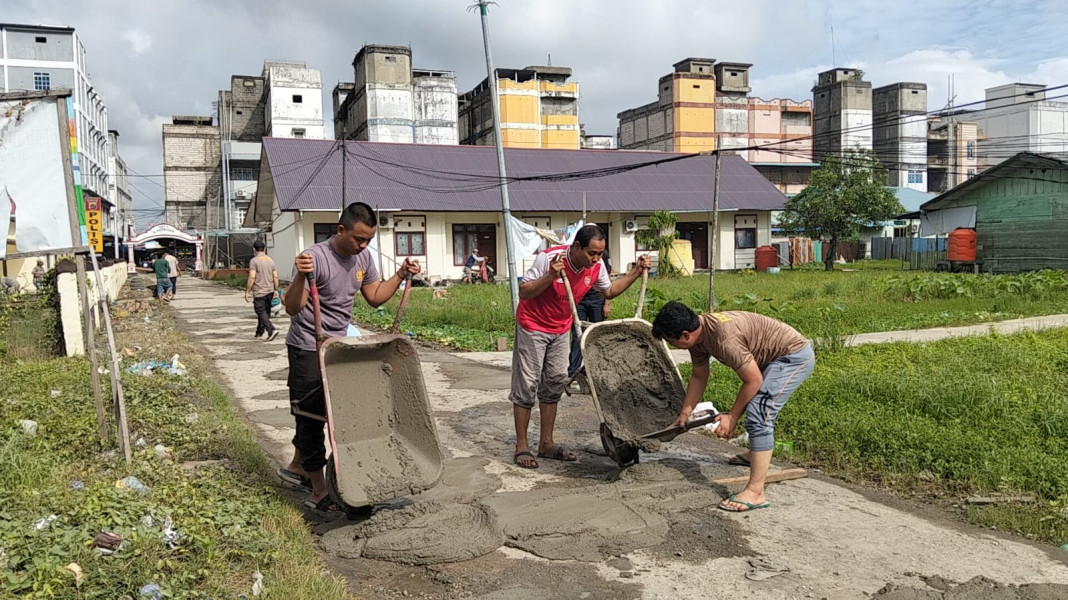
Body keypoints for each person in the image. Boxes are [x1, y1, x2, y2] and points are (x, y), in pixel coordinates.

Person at [279, 202, 420, 512]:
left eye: (368, 239)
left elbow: (375, 297)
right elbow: (292, 307)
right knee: (311, 415)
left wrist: (399, 274)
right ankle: (318, 491)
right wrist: (301, 277)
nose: (363, 245)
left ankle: (303, 466)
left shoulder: (364, 258)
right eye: (358, 239)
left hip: (339, 347)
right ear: (340, 230)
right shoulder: (314, 258)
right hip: (307, 345)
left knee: (344, 415)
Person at [651, 302, 815, 512]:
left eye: (672, 342)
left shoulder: (723, 338)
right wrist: (685, 413)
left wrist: (732, 416)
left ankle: (756, 492)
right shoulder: (698, 336)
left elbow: (753, 381)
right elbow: (699, 375)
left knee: (759, 412)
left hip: (791, 357)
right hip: (768, 359)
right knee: (757, 408)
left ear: (685, 334)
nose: (673, 347)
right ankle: (756, 454)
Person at [510, 225, 651, 469]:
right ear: (576, 247)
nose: (596, 259)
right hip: (533, 326)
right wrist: (551, 276)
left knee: (554, 382)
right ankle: (522, 445)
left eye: (600, 254)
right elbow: (524, 292)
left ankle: (546, 444)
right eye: (591, 253)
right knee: (528, 384)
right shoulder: (549, 258)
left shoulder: (596, 268)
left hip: (561, 328)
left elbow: (609, 290)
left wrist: (636, 272)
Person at [567, 248, 612, 392]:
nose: (595, 256)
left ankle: (595, 374)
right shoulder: (578, 254)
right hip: (579, 299)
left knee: (595, 336)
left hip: (597, 299)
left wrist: (607, 303)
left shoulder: (602, 256)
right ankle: (572, 374)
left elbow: (608, 282)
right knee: (578, 337)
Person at [245, 240, 280, 341]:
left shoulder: (254, 261)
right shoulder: (271, 260)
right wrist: (276, 289)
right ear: (264, 248)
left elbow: (252, 277)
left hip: (259, 292)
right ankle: (259, 333)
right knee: (264, 313)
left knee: (260, 311)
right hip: (269, 291)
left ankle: (271, 330)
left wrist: (247, 291)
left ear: (254, 249)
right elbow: (275, 276)